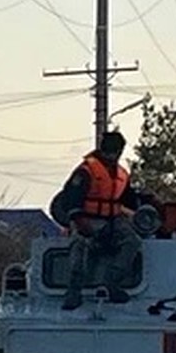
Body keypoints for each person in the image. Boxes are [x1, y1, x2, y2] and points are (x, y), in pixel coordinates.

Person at [50, 129, 142, 310]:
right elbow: (71, 197)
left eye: (115, 150)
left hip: (112, 222)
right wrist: (78, 220)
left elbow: (129, 200)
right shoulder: (86, 171)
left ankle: (113, 281)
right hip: (86, 219)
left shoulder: (121, 174)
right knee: (80, 245)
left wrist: (144, 205)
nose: (112, 154)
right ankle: (74, 291)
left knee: (132, 241)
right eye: (110, 150)